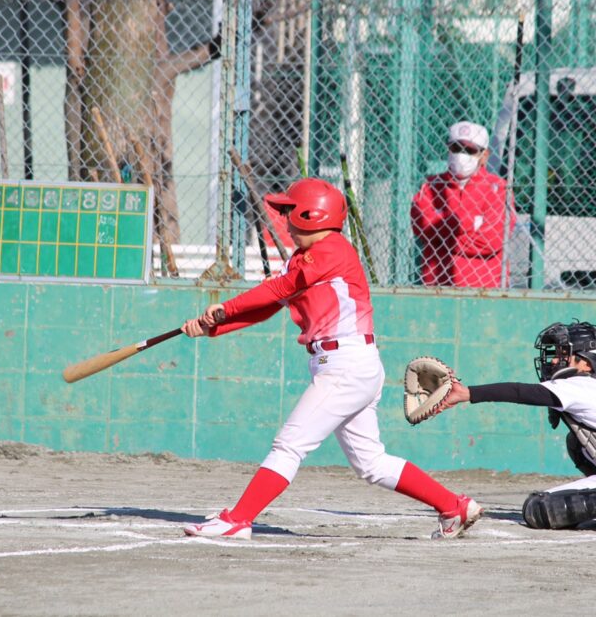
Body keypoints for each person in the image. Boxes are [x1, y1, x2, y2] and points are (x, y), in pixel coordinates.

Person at [181, 177, 483, 540]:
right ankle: (454, 506)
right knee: (371, 463)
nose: (287, 220)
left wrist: (226, 307)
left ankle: (238, 519)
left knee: (289, 445)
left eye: (292, 212)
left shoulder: (332, 249)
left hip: (345, 366)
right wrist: (214, 325)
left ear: (313, 214)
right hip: (351, 365)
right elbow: (269, 305)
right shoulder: (304, 260)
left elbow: (276, 289)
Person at [430, 321, 596, 533]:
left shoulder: (579, 384)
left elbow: (521, 392)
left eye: (564, 354)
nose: (553, 361)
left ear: (585, 363)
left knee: (537, 508)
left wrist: (467, 393)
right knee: (576, 443)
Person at [410, 120, 513, 288]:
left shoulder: (498, 189)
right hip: (437, 286)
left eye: (469, 150)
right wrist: (471, 224)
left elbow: (492, 241)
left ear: (484, 155)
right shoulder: (430, 186)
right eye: (456, 148)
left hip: (484, 289)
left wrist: (442, 237)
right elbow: (422, 228)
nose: (461, 154)